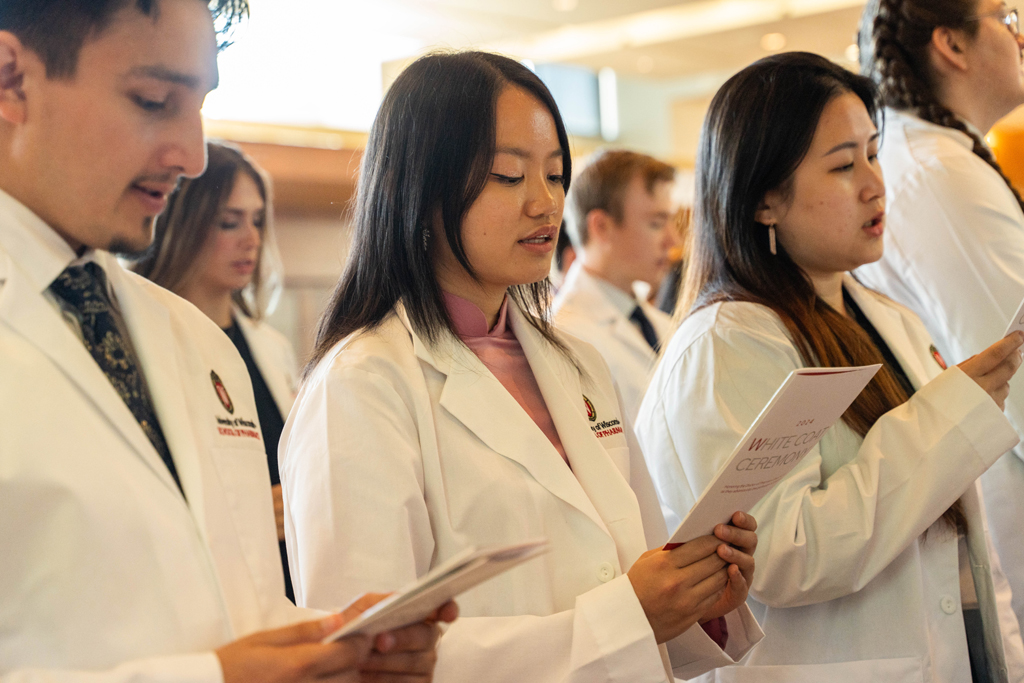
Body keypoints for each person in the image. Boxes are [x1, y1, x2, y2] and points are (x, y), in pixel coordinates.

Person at [0, 1, 452, 681]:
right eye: (153, 99)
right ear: (11, 79)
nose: (190, 154)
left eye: (200, 104)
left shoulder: (193, 340)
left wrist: (335, 647)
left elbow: (232, 605)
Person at [280, 51, 764, 683]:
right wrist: (626, 617)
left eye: (556, 175)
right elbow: (366, 655)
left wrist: (699, 596)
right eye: (508, 177)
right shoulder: (362, 384)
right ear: (421, 190)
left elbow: (637, 568)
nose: (544, 203)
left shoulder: (578, 365)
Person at [636, 52, 1024, 683]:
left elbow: (951, 538)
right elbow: (786, 553)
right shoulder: (727, 344)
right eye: (843, 166)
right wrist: (948, 418)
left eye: (874, 154)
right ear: (764, 200)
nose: (875, 184)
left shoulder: (886, 317)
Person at [856, 0, 1024, 634]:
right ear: (952, 44)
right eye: (1006, 19)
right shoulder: (937, 173)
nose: (1021, 37)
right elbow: (1015, 367)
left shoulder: (941, 159)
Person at [132, 141, 299, 601]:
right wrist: (247, 513)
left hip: (286, 582)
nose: (251, 239)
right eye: (229, 222)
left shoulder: (271, 347)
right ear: (181, 225)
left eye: (257, 220)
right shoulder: (140, 337)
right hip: (200, 589)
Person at [552, 150, 679, 423]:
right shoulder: (565, 336)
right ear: (602, 227)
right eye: (656, 224)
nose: (673, 241)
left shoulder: (659, 323)